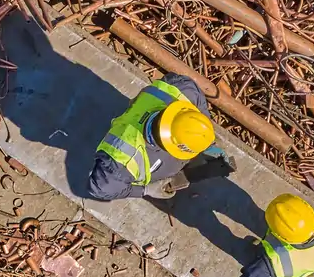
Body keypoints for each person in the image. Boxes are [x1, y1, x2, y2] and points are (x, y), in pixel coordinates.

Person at [87, 74, 235, 201]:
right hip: (129, 143)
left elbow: (198, 104)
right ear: (173, 147)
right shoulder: (122, 160)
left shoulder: (180, 89)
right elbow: (100, 189)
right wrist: (146, 190)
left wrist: (205, 141)